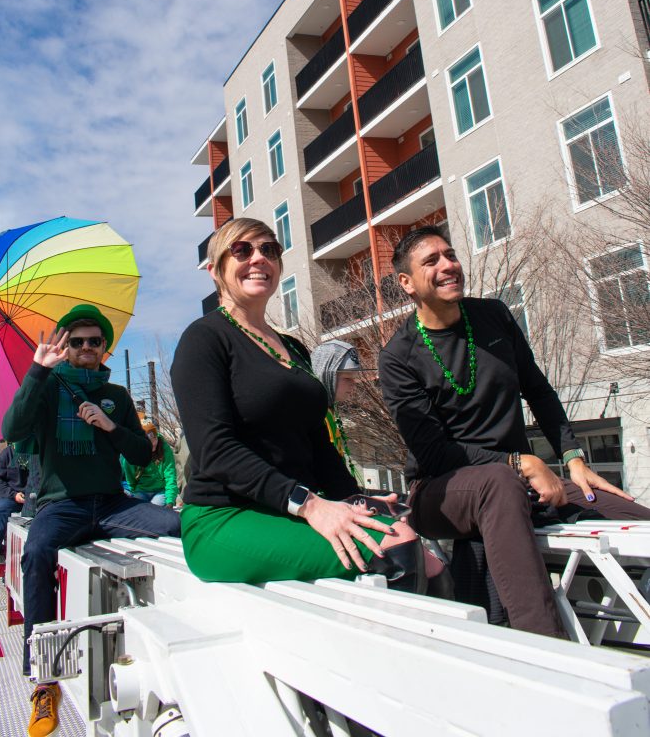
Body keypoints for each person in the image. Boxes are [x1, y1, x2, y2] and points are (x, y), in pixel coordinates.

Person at [379, 225, 650, 639]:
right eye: (431, 261)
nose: (448, 265)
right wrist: (519, 462)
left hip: (518, 480)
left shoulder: (493, 316)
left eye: (450, 255)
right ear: (406, 283)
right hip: (440, 491)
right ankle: (545, 651)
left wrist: (574, 457)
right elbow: (433, 453)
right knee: (498, 483)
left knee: (630, 516)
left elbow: (538, 391)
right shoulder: (398, 357)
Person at [171, 217, 424, 593]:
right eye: (242, 250)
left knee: (415, 536)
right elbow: (216, 451)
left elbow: (315, 442)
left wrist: (353, 497)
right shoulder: (203, 340)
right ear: (215, 270)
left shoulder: (293, 347)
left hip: (291, 510)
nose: (258, 258)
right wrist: (309, 505)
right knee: (395, 547)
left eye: (269, 250)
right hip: (224, 518)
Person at [2, 303, 181, 737]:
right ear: (64, 346)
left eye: (93, 341)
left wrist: (109, 427)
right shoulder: (47, 388)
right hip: (62, 505)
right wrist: (37, 372)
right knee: (38, 551)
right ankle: (44, 681)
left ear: (105, 348)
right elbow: (13, 428)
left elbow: (142, 453)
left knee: (177, 527)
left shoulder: (116, 397)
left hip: (113, 503)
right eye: (76, 341)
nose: (85, 347)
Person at [0, 443, 39, 563]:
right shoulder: (6, 454)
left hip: (35, 496)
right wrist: (14, 495)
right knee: (1, 510)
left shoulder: (38, 452)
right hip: (11, 497)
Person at [122, 422, 178, 507]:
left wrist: (170, 500)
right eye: (149, 442)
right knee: (140, 510)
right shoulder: (132, 453)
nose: (153, 443)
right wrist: (133, 492)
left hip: (160, 491)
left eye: (155, 438)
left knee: (156, 510)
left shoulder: (164, 449)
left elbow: (170, 475)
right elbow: (130, 478)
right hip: (141, 490)